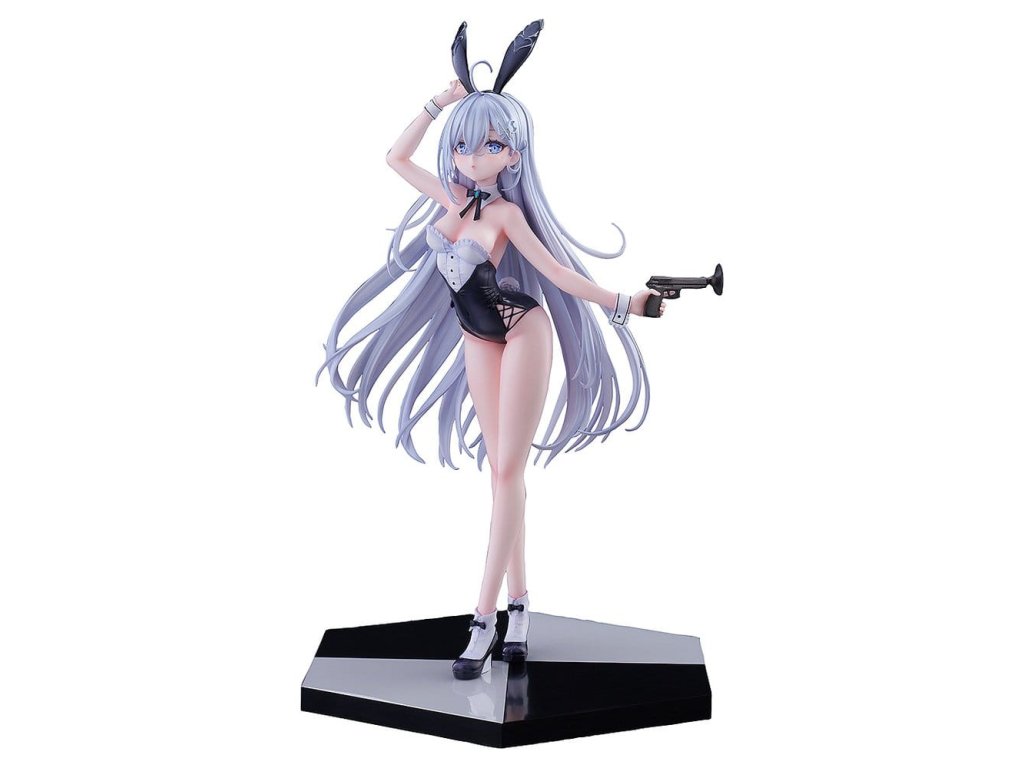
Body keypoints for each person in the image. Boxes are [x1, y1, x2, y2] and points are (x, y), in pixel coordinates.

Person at [316, 20, 666, 680]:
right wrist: (440, 101)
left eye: (492, 145)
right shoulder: (449, 197)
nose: (474, 158)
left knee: (507, 471)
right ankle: (521, 607)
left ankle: (484, 620)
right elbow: (395, 158)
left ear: (512, 154)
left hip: (522, 329)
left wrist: (624, 302)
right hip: (477, 336)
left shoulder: (506, 215)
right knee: (503, 476)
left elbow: (557, 273)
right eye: (464, 146)